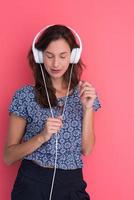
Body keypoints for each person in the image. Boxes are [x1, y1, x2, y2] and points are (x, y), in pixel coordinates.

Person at [4, 24, 101, 200]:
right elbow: (8, 157)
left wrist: (87, 109)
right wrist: (42, 136)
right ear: (40, 56)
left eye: (63, 56)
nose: (56, 63)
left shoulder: (84, 93)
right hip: (31, 183)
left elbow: (86, 150)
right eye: (49, 56)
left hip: (71, 183)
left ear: (73, 56)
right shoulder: (25, 96)